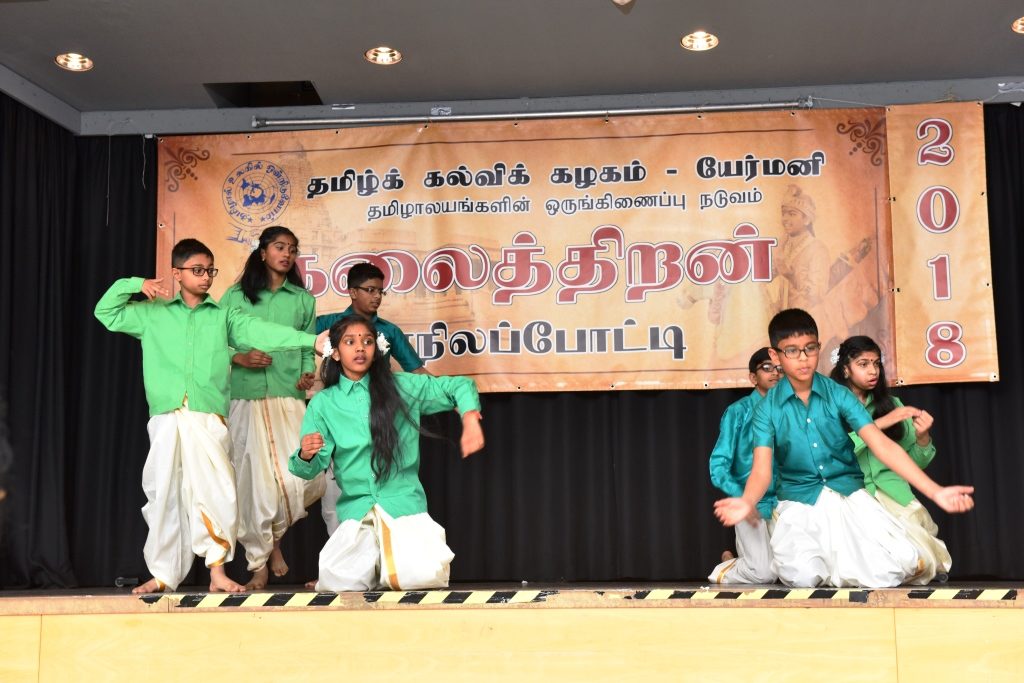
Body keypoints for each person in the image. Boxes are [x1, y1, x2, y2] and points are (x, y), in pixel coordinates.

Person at [94, 238, 327, 594]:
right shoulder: (152, 313)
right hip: (167, 414)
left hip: (207, 415)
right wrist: (135, 284)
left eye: (210, 271)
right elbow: (105, 311)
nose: (205, 277)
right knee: (163, 492)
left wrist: (308, 341)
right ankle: (163, 572)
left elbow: (260, 331)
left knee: (216, 491)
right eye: (197, 270)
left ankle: (217, 571)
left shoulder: (222, 316)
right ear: (177, 273)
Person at [713, 308, 973, 587]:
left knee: (896, 566)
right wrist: (746, 501)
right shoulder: (766, 410)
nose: (803, 358)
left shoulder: (839, 395)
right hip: (799, 501)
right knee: (803, 576)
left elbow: (882, 445)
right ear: (775, 356)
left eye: (810, 349)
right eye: (792, 351)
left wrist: (936, 491)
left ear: (818, 348)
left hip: (848, 495)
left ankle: (845, 563)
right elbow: (762, 471)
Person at [289, 315, 484, 591]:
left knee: (419, 575)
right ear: (335, 352)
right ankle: (376, 566)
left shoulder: (402, 386)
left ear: (376, 349)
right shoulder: (323, 404)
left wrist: (470, 418)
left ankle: (386, 566)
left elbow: (459, 386)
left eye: (368, 341)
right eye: (350, 342)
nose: (360, 348)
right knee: (338, 582)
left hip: (402, 506)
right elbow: (307, 469)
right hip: (358, 512)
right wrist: (306, 455)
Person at [220, 226, 326, 590]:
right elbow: (214, 341)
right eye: (280, 247)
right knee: (253, 483)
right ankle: (260, 563)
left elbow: (306, 347)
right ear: (262, 252)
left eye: (292, 249)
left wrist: (307, 373)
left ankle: (272, 541)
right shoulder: (235, 296)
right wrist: (239, 357)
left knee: (301, 478)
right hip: (246, 394)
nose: (287, 254)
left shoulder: (302, 299)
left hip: (287, 393)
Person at [315, 261, 432, 536]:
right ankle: (342, 552)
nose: (377, 296)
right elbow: (295, 347)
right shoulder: (327, 324)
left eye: (381, 291)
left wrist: (447, 392)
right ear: (352, 292)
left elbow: (417, 371)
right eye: (370, 290)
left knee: (382, 487)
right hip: (339, 414)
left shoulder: (389, 331)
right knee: (334, 495)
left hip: (377, 417)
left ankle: (383, 554)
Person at [830, 335, 951, 583]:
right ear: (845, 369)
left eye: (876, 363)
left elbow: (914, 464)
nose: (873, 371)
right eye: (863, 364)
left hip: (894, 493)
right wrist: (880, 424)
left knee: (917, 558)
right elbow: (832, 454)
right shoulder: (829, 407)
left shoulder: (891, 404)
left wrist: (923, 438)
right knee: (869, 562)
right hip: (852, 496)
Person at [707, 348, 780, 584]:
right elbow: (718, 465)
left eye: (779, 368)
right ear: (752, 377)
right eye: (767, 368)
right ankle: (727, 566)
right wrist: (743, 498)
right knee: (763, 573)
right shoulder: (738, 412)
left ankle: (742, 560)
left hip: (786, 500)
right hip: (751, 501)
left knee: (795, 572)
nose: (775, 373)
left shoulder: (792, 410)